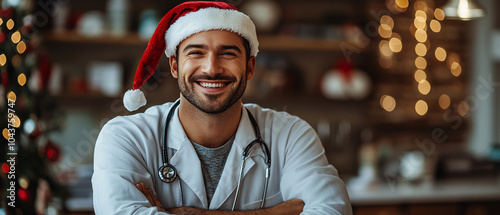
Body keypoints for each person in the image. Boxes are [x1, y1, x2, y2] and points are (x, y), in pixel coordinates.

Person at [91, 1, 352, 214]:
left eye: (228, 53)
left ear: (250, 67)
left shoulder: (291, 134)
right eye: (196, 53)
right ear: (173, 66)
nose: (212, 69)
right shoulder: (126, 137)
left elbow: (333, 211)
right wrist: (279, 211)